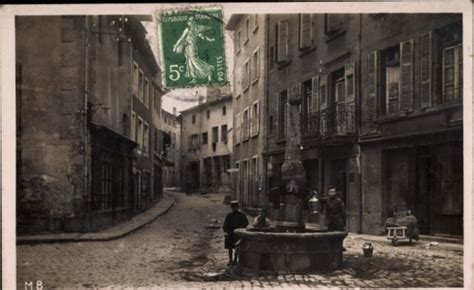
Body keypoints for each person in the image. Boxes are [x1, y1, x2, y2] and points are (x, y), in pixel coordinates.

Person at [172, 16, 215, 84]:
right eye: (190, 22)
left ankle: (208, 71)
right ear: (189, 23)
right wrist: (176, 46)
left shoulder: (195, 29)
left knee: (195, 61)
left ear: (194, 22)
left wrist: (210, 39)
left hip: (192, 47)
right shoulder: (188, 30)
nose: (191, 23)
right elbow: (181, 38)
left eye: (192, 21)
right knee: (189, 62)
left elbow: (202, 36)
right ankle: (194, 78)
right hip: (187, 48)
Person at [223, 200, 249, 266]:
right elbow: (225, 225)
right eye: (233, 207)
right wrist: (225, 232)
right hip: (230, 233)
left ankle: (235, 259)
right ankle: (230, 260)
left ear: (238, 207)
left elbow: (246, 223)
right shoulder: (229, 215)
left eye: (236, 207)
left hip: (238, 233)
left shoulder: (241, 215)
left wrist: (241, 229)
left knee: (237, 247)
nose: (234, 209)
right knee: (230, 247)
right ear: (231, 208)